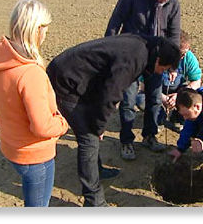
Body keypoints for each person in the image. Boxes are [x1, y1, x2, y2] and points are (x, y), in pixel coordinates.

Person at [46, 34, 180, 207]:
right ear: (159, 58)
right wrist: (99, 127)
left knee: (91, 130)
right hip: (65, 81)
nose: (161, 72)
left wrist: (96, 121)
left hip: (80, 79)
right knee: (89, 138)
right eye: (164, 68)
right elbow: (111, 95)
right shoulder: (134, 58)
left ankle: (97, 170)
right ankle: (94, 202)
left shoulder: (143, 48)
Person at [0, 0, 69, 207]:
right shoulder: (30, 73)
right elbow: (41, 126)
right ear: (36, 29)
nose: (46, 35)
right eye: (45, 29)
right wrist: (63, 124)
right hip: (34, 155)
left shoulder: (1, 62)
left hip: (12, 146)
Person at [104, 0, 181, 161]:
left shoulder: (173, 4)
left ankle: (149, 135)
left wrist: (173, 64)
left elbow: (173, 35)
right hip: (130, 57)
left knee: (154, 99)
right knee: (128, 100)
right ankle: (127, 141)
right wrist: (110, 53)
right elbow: (115, 23)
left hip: (157, 60)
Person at [136, 30, 202, 130]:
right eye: (181, 54)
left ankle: (178, 118)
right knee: (141, 99)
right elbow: (144, 85)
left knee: (194, 95)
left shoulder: (189, 58)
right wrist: (163, 98)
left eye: (185, 53)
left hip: (178, 91)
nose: (183, 57)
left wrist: (180, 96)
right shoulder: (155, 57)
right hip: (157, 91)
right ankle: (158, 118)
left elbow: (197, 81)